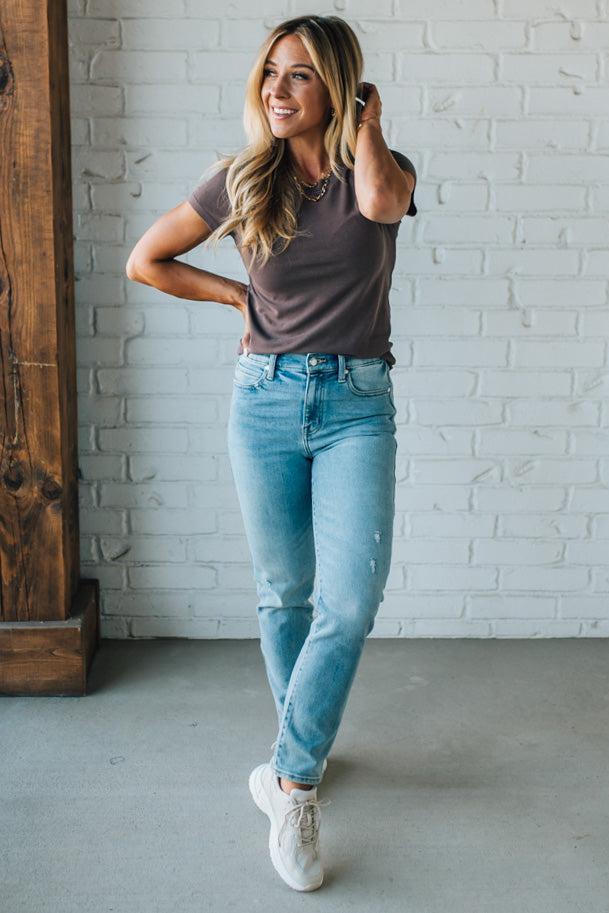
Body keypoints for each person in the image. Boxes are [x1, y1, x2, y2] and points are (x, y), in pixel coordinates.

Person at [126, 13, 417, 893]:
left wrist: (366, 127)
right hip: (264, 398)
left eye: (297, 76)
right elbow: (148, 260)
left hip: (358, 404)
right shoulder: (240, 178)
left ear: (338, 85)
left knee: (349, 599)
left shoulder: (383, 170)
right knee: (283, 592)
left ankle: (289, 780)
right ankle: (305, 756)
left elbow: (381, 207)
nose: (275, 91)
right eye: (268, 75)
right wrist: (234, 301)